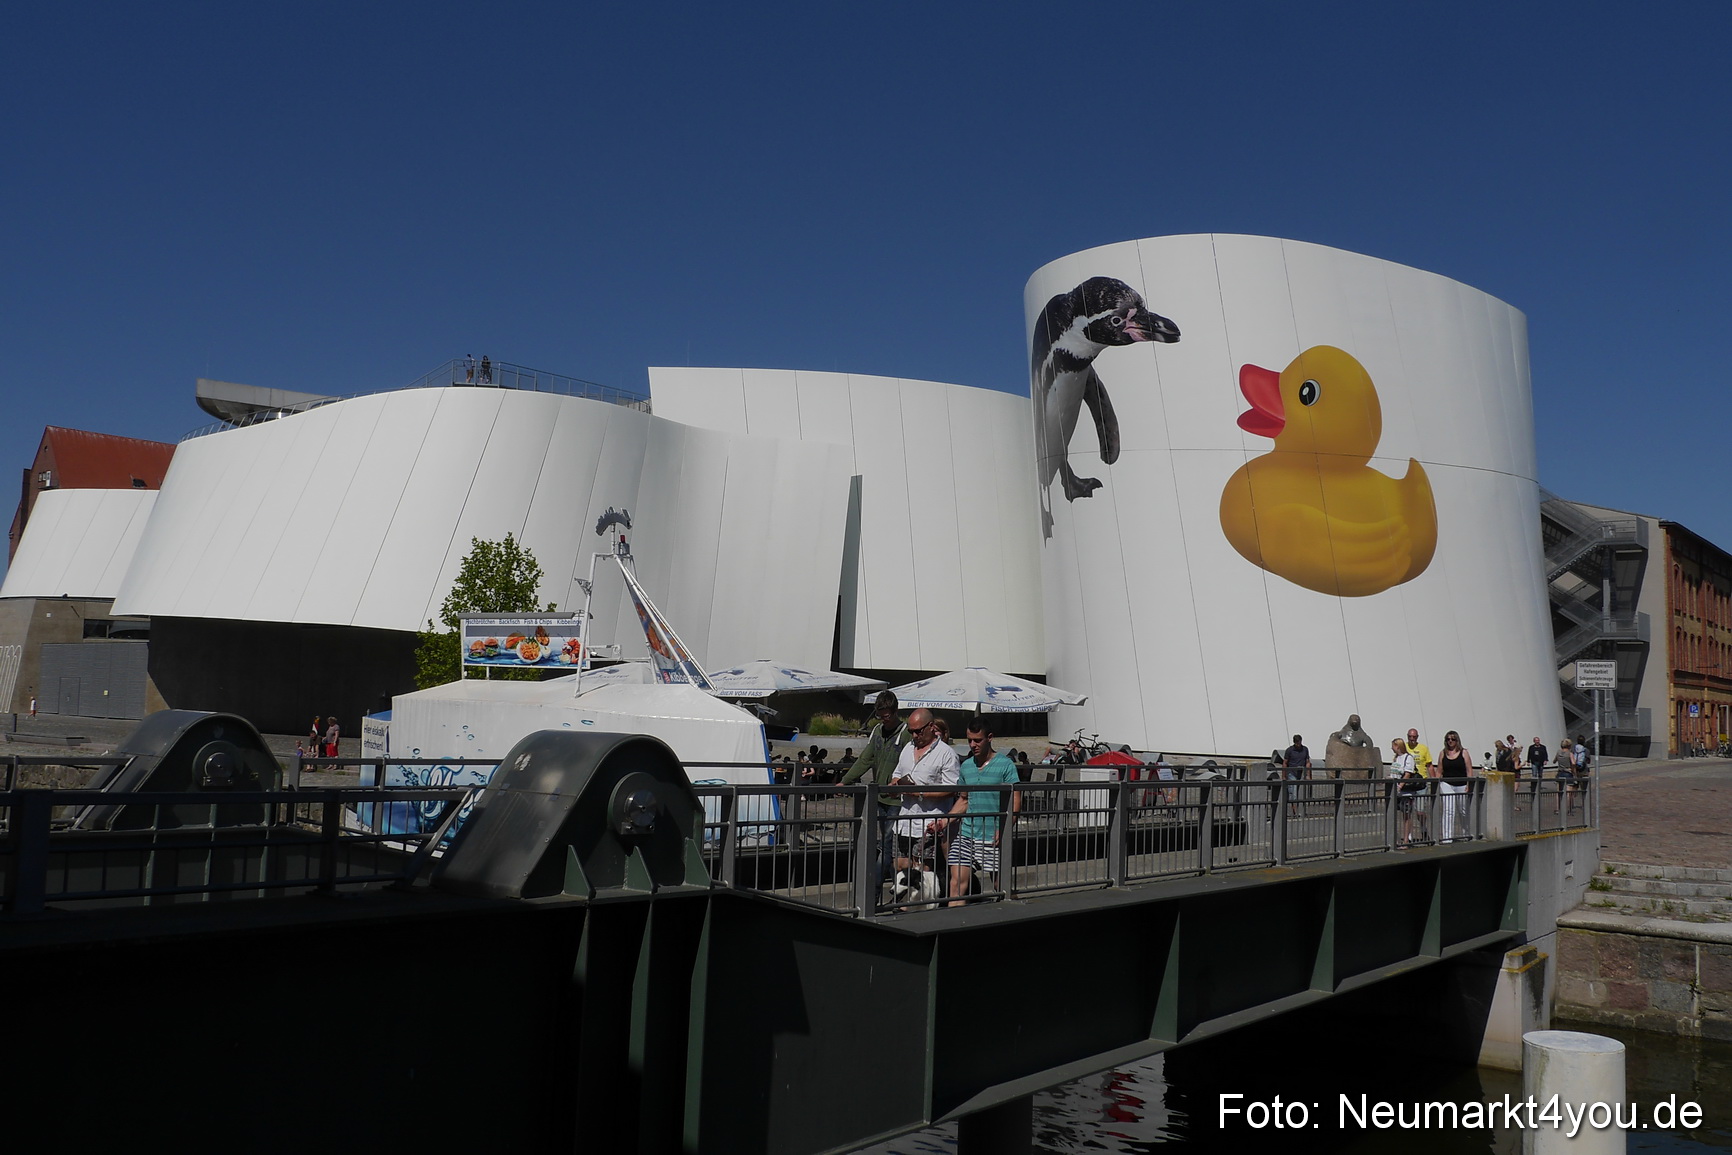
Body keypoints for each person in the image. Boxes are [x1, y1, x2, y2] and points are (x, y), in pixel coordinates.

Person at [838, 691, 910, 890]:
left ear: (895, 711)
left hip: (898, 800)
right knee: (886, 845)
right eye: (881, 715)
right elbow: (866, 759)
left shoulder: (906, 733)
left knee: (888, 843)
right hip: (880, 798)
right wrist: (845, 781)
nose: (884, 719)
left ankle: (875, 890)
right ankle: (885, 888)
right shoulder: (877, 731)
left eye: (888, 715)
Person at [946, 718, 1020, 905]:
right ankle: (953, 923)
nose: (972, 745)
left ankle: (1015, 913)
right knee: (956, 883)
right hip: (967, 833)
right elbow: (963, 799)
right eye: (969, 740)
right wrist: (944, 822)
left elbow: (1016, 799)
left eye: (977, 740)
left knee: (1000, 886)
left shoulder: (1005, 765)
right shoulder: (967, 766)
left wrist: (1005, 827)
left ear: (990, 738)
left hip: (992, 836)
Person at [891, 708, 960, 885]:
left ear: (930, 727)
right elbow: (897, 773)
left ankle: (920, 906)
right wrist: (895, 784)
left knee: (922, 871)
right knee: (900, 866)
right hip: (904, 821)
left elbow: (952, 788)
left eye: (918, 731)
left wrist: (920, 792)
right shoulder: (908, 748)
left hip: (928, 822)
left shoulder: (946, 753)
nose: (914, 735)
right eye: (910, 731)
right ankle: (903, 903)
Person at [1435, 730, 1475, 842]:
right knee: (1448, 810)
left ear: (1457, 740)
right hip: (1447, 783)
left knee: (1463, 811)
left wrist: (1469, 784)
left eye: (1453, 739)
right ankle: (1447, 838)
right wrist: (1436, 784)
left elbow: (1469, 769)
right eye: (1448, 739)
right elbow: (1439, 770)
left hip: (1462, 784)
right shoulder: (1443, 753)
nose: (1450, 741)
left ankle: (1466, 834)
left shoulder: (1464, 752)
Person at [1390, 736, 1425, 845]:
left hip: (1406, 791)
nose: (1391, 749)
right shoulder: (1396, 758)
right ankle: (1395, 840)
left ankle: (1406, 839)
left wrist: (1400, 785)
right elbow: (1394, 772)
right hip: (1395, 791)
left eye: (1393, 746)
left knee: (1406, 815)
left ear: (1397, 746)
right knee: (1394, 815)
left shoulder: (1408, 757)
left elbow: (1407, 774)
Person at [1282, 734, 1311, 816]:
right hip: (1291, 773)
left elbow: (1308, 762)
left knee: (1300, 792)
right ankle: (1295, 812)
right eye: (1297, 743)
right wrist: (1284, 776)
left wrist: (1308, 774)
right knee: (1293, 793)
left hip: (1301, 773)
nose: (1299, 744)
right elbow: (1285, 763)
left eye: (1300, 742)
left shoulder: (1305, 749)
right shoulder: (1289, 750)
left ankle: (1300, 810)